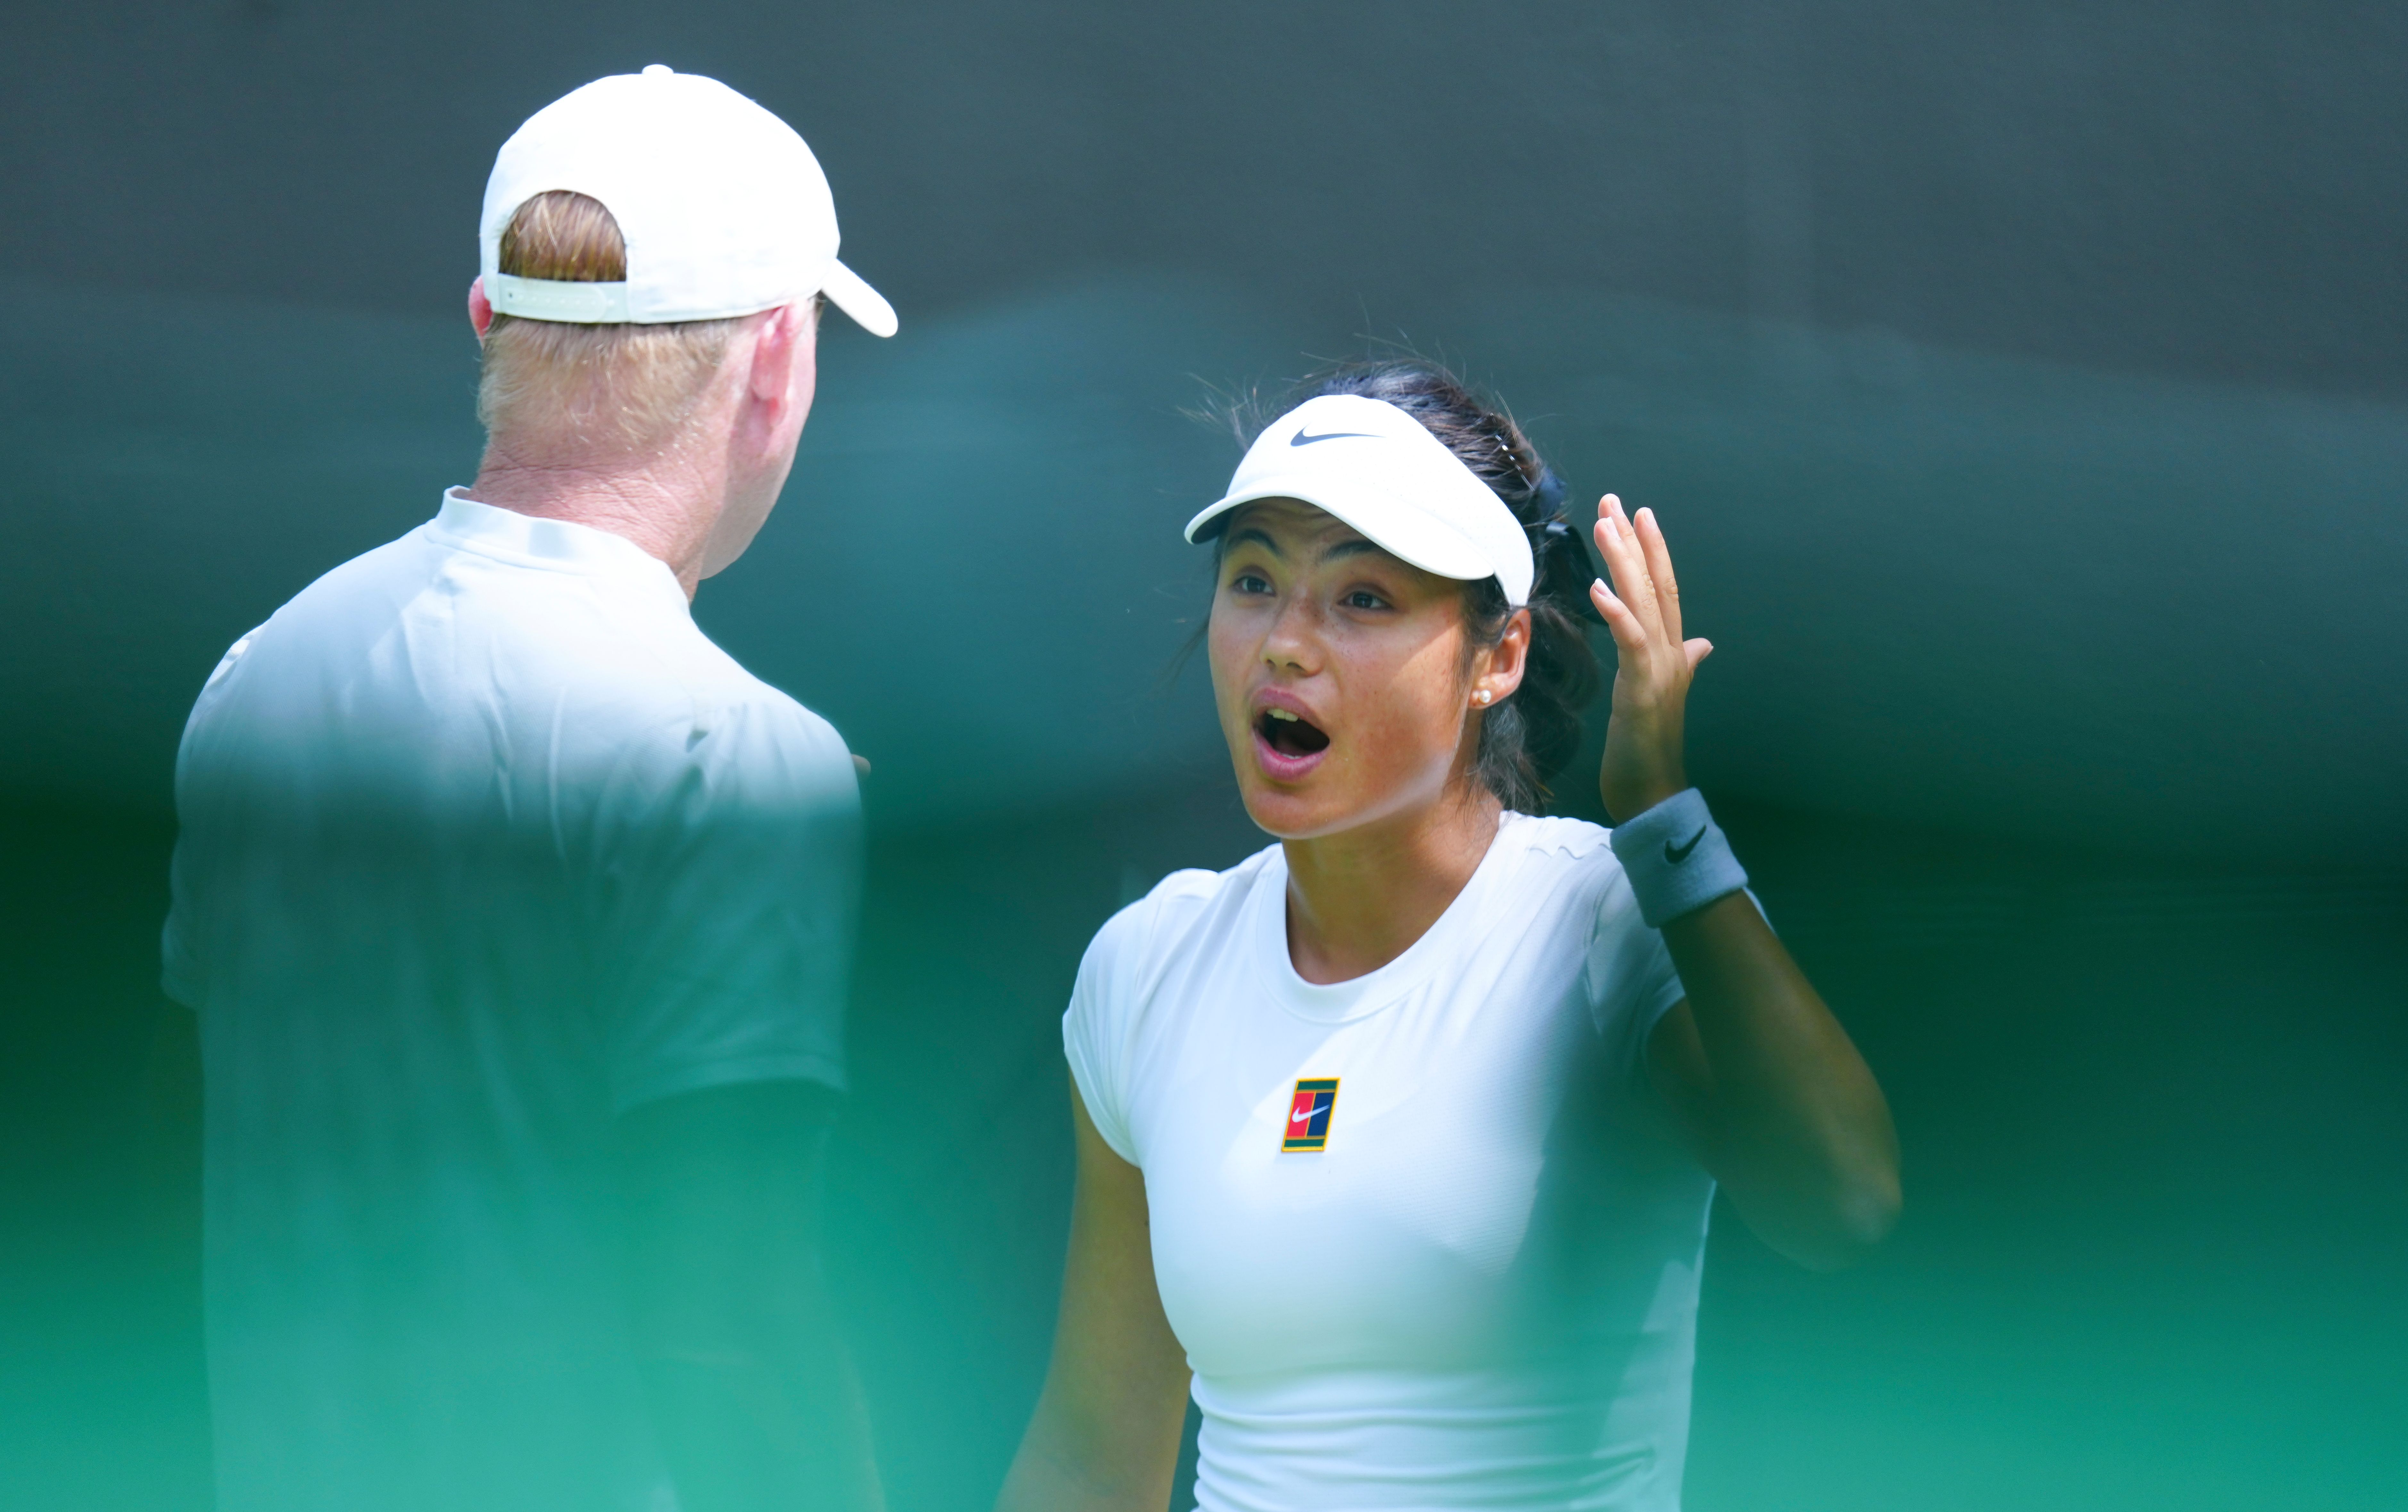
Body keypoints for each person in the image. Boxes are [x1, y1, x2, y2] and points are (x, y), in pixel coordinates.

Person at [159, 67, 895, 1512]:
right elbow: (732, 1324)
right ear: (774, 361)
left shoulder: (255, 676)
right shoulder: (734, 757)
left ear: (489, 319)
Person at [997, 361, 1902, 1511]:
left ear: (1499, 657)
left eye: (1362, 598)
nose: (1284, 642)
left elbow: (1842, 1204)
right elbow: (1091, 1454)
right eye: (1254, 580)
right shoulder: (1145, 964)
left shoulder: (1611, 920)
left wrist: (1666, 821)